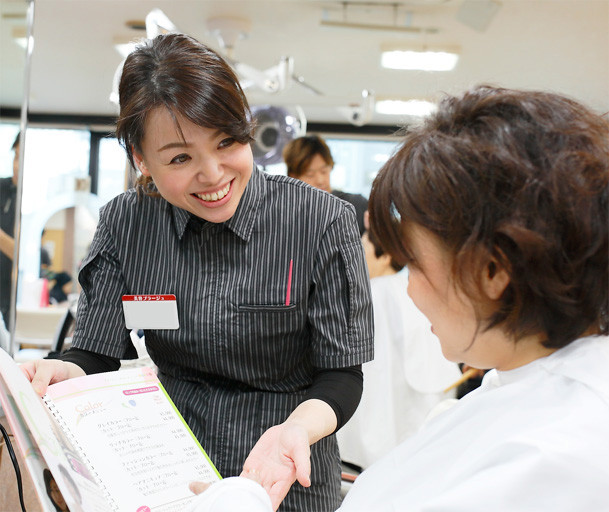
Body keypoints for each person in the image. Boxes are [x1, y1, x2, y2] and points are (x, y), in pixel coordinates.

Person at [185, 85, 609, 511]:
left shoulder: (554, 455)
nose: (409, 287)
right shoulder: (519, 385)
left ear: (493, 271)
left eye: (416, 264)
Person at [21, 33, 373, 512]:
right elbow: (96, 353)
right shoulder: (127, 223)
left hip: (282, 476)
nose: (213, 175)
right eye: (180, 158)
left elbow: (342, 376)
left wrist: (297, 429)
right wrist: (61, 369)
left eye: (227, 141)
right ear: (140, 160)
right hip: (166, 473)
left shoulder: (320, 221)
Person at [336, 222, 461, 469]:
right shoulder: (414, 293)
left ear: (385, 257)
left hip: (368, 417)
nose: (356, 255)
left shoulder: (365, 296)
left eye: (363, 246)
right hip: (416, 415)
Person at [282, 135, 368, 235]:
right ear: (293, 177)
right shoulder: (284, 215)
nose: (320, 180)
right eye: (310, 174)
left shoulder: (356, 205)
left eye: (324, 171)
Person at [0, 133, 20, 328]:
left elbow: (21, 254)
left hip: (13, 294)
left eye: (22, 159)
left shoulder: (33, 202)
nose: (16, 165)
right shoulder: (2, 188)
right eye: (15, 157)